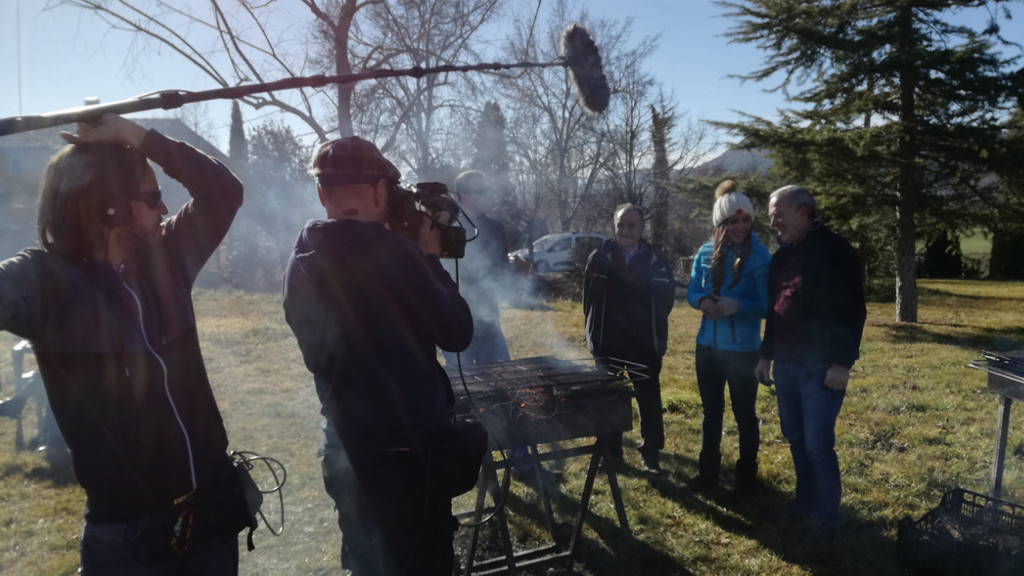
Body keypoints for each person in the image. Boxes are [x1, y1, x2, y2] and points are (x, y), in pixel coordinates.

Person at [0, 114, 247, 574]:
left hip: (211, 519)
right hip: (126, 541)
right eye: (152, 197)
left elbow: (223, 191)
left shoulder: (167, 258)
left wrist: (136, 136)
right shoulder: (42, 282)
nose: (164, 208)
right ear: (111, 209)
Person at [282, 137, 476, 576]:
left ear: (322, 195)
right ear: (379, 191)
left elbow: (319, 352)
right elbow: (457, 332)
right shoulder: (397, 256)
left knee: (367, 562)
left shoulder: (301, 258)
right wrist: (429, 259)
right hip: (407, 457)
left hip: (345, 449)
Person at [755, 185, 866, 541]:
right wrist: (765, 355)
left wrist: (842, 363)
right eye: (772, 216)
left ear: (803, 213)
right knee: (795, 437)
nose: (773, 222)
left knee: (818, 443)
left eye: (778, 215)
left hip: (821, 368)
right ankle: (804, 502)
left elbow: (854, 311)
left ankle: (826, 519)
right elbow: (775, 311)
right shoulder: (781, 256)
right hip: (786, 364)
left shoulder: (838, 252)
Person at [686, 180, 770, 496]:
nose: (741, 227)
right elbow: (692, 290)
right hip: (707, 348)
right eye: (733, 221)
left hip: (744, 351)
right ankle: (707, 474)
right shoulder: (705, 252)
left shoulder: (760, 257)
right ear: (721, 222)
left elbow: (769, 306)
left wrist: (737, 306)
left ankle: (745, 480)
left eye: (746, 220)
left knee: (745, 416)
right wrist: (700, 301)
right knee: (711, 414)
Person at [583, 203, 675, 473]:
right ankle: (611, 455)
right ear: (614, 227)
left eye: (631, 225)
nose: (625, 230)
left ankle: (650, 456)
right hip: (608, 342)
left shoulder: (656, 258)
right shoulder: (600, 257)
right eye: (621, 225)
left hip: (643, 343)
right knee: (609, 399)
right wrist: (593, 334)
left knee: (649, 399)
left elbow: (666, 300)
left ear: (642, 228)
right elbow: (588, 300)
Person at [441, 169, 511, 367]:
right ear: (464, 197)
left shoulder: (495, 227)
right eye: (482, 191)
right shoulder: (446, 228)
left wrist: (515, 274)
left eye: (489, 189)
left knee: (503, 375)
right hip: (454, 322)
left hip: (489, 321)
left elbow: (502, 271)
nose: (489, 195)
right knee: (460, 379)